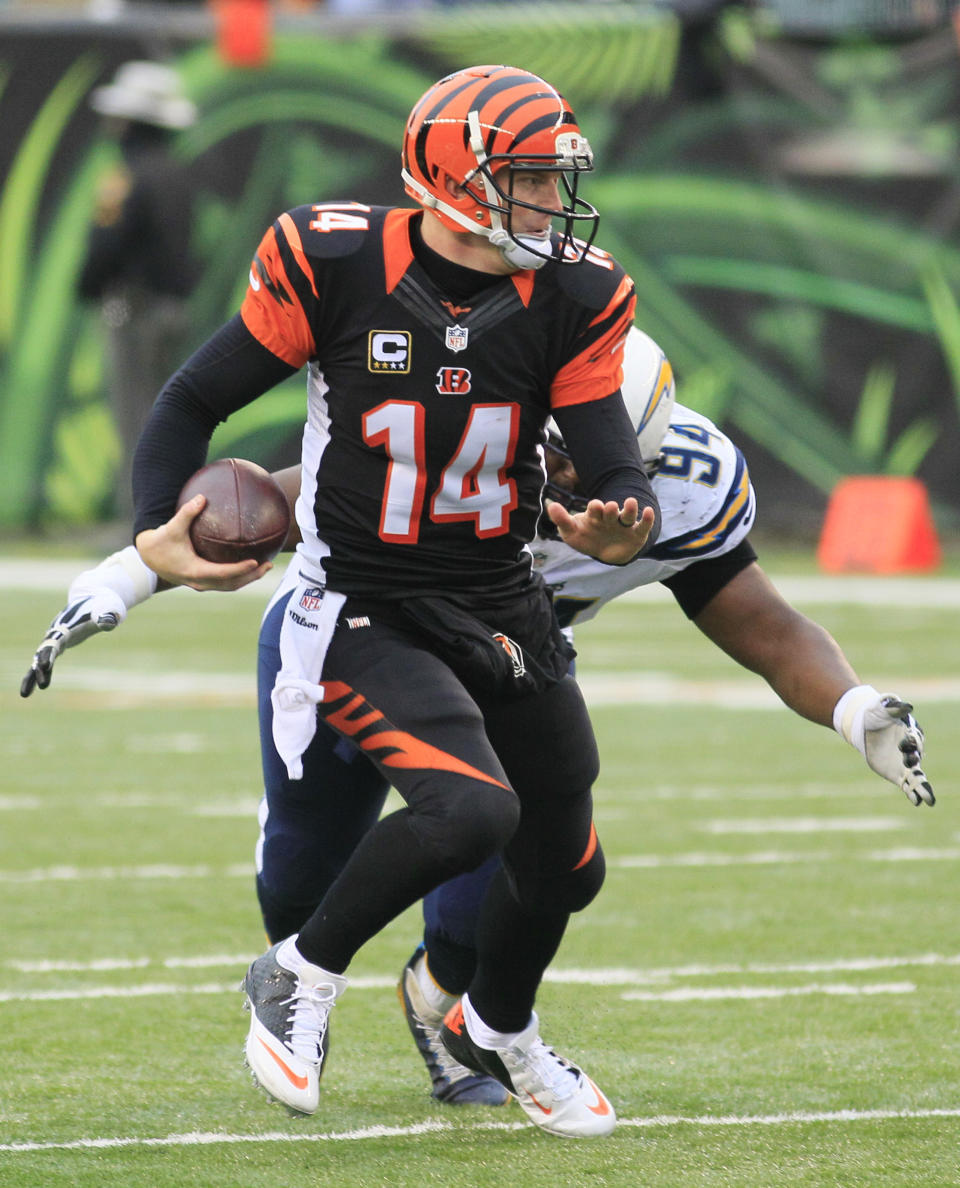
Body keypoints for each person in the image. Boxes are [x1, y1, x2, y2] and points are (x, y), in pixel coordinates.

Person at [23, 329, 933, 1110]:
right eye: (552, 446)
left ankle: (447, 1008)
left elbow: (761, 621)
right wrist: (124, 576)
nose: (562, 475)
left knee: (504, 878)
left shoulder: (689, 487)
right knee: (302, 881)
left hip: (509, 666)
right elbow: (274, 499)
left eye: (589, 454)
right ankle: (302, 976)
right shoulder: (466, 434)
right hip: (353, 635)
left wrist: (852, 709)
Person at [91, 64, 663, 1139]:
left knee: (566, 857)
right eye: (530, 179)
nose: (552, 202)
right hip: (359, 598)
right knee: (468, 812)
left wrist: (622, 513)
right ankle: (299, 971)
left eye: (556, 179)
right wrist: (149, 527)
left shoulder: (579, 292)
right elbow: (192, 397)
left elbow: (610, 461)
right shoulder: (335, 259)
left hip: (498, 595)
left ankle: (499, 1025)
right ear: (456, 176)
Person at [78, 60, 200, 520]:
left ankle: (137, 518)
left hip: (132, 309)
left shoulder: (127, 175)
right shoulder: (179, 174)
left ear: (130, 120)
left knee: (134, 416)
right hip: (174, 309)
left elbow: (107, 243)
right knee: (167, 416)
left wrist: (87, 288)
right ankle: (169, 513)